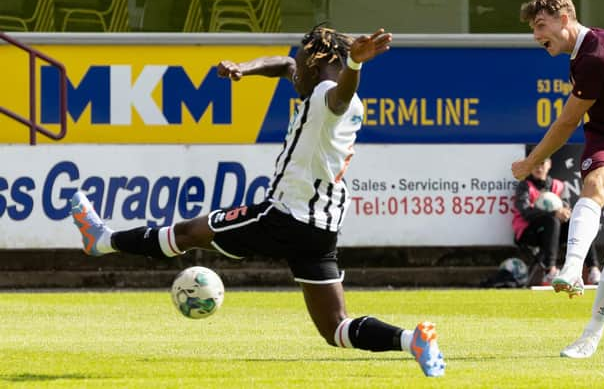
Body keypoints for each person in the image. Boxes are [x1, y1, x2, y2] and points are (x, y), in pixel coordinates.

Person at [69, 25, 445, 377]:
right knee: (335, 328)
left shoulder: (331, 95)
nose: (299, 67)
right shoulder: (324, 91)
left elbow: (338, 93)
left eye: (306, 59)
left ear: (323, 59)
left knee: (187, 233)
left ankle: (102, 240)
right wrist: (243, 70)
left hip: (285, 216)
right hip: (321, 227)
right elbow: (282, 65)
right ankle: (412, 340)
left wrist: (353, 62)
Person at [513, 0, 604, 359]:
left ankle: (591, 335)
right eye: (534, 29)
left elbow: (567, 122)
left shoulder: (596, 53)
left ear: (564, 19)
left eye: (541, 25)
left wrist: (529, 162)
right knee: (595, 183)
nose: (537, 36)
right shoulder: (584, 51)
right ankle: (570, 269)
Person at [512, 157, 601, 285]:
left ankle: (593, 270)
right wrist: (553, 213)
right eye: (535, 164)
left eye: (542, 163)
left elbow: (566, 208)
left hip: (554, 232)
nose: (539, 167)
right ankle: (550, 272)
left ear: (549, 165)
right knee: (552, 220)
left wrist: (565, 213)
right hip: (529, 232)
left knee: (577, 226)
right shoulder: (524, 186)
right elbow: (525, 212)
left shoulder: (558, 185)